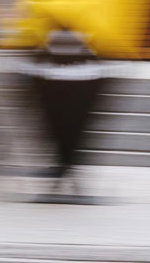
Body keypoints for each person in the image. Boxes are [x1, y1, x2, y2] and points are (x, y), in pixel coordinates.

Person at [23, 16, 112, 205]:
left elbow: (35, 68)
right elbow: (97, 68)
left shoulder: (49, 45)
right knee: (71, 146)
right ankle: (71, 184)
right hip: (76, 106)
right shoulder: (82, 46)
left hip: (55, 104)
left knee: (60, 145)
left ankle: (62, 183)